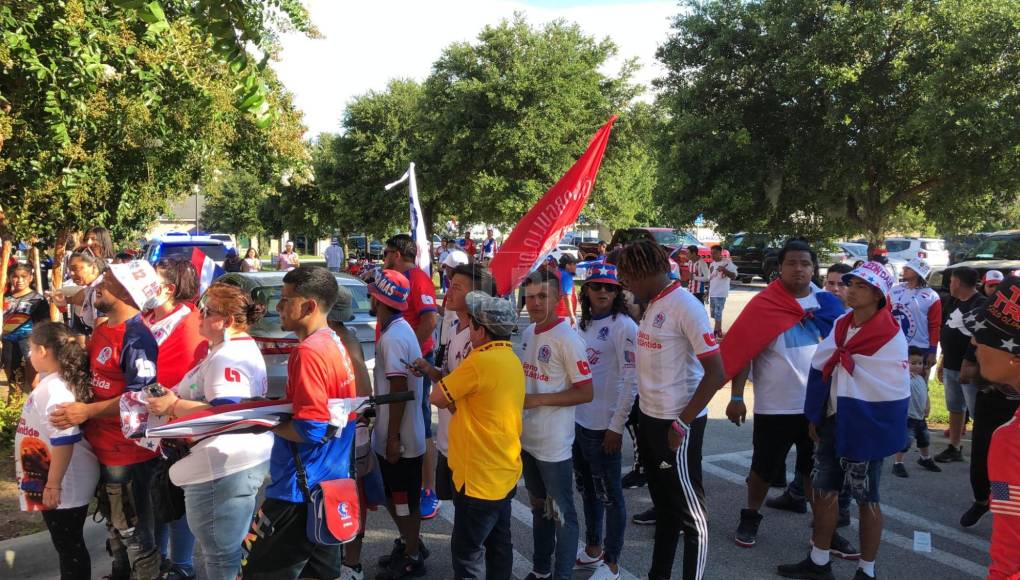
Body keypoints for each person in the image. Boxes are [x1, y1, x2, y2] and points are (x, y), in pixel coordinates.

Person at [687, 241, 849, 553]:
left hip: (818, 405)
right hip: (776, 405)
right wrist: (736, 397)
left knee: (813, 469)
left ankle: (823, 529)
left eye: (805, 263)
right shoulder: (765, 303)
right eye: (792, 263)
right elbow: (743, 351)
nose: (798, 268)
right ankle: (750, 515)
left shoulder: (828, 305)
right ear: (780, 267)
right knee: (762, 468)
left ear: (814, 268)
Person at [778, 262, 909, 580]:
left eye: (860, 285)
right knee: (824, 491)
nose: (850, 289)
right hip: (834, 421)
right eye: (850, 283)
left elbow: (891, 393)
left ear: (878, 294)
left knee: (867, 498)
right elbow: (822, 367)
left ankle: (867, 570)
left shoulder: (890, 337)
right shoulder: (841, 324)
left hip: (866, 427)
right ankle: (819, 561)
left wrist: (876, 432)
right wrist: (817, 413)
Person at [145, 284, 272, 580]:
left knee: (220, 555)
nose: (199, 316)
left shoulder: (227, 355)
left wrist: (173, 404)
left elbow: (225, 412)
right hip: (230, 462)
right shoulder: (230, 347)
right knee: (226, 552)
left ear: (226, 321)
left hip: (222, 465)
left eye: (207, 311)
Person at [616, 240, 724, 580]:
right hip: (650, 419)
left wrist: (682, 422)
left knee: (691, 516)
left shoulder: (686, 305)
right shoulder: (652, 304)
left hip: (677, 424)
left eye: (627, 278)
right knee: (665, 508)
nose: (625, 285)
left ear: (644, 272)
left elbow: (716, 373)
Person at [49, 261, 164, 580]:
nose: (100, 283)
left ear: (128, 292)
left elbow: (141, 397)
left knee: (134, 529)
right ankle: (119, 572)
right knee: (114, 521)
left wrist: (87, 412)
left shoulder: (137, 338)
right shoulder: (101, 328)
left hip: (128, 454)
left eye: (110, 280)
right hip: (99, 447)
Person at [241, 266, 356, 579]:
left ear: (309, 307)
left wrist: (263, 421)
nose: (278, 307)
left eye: (285, 299)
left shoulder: (308, 352)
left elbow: (312, 429)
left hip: (297, 492)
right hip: (328, 486)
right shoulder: (334, 342)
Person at [417, 291, 523, 580]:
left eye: (471, 324)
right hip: (504, 470)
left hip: (477, 475)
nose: (467, 329)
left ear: (480, 330)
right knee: (500, 543)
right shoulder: (511, 358)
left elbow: (437, 397)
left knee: (467, 552)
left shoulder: (479, 362)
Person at [519, 269, 593, 580]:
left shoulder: (567, 338)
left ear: (558, 299)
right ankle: (540, 570)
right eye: (530, 297)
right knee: (539, 507)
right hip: (528, 441)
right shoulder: (527, 333)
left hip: (554, 445)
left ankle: (561, 574)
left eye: (542, 296)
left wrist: (536, 401)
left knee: (563, 514)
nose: (535, 303)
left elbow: (586, 391)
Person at [15, 322, 100, 580]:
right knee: (68, 546)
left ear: (43, 350)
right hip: (58, 477)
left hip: (64, 481)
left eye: (30, 349)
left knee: (69, 547)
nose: (29, 355)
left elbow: (64, 439)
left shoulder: (54, 388)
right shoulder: (55, 381)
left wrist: (53, 485)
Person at [143, 256, 209, 580]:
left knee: (175, 499)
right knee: (156, 498)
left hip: (176, 430)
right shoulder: (145, 318)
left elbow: (185, 381)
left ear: (169, 288)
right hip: (144, 429)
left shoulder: (189, 325)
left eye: (151, 279)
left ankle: (182, 565)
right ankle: (158, 562)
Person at [573, 262, 637, 580]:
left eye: (609, 287)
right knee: (588, 491)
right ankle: (594, 549)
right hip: (578, 422)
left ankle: (611, 563)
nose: (602, 292)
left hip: (603, 429)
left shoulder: (624, 326)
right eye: (596, 286)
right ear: (585, 290)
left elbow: (631, 380)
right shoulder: (582, 324)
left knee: (611, 497)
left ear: (617, 292)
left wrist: (615, 426)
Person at [366, 269, 428, 579]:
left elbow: (399, 390)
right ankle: (410, 542)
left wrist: (392, 439)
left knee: (401, 499)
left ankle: (413, 552)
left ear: (379, 299)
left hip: (400, 438)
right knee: (397, 496)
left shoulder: (392, 338)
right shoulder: (401, 330)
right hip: (403, 433)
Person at [961, 276, 1020, 578]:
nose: (974, 343)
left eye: (984, 337)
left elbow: (1009, 533)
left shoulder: (1010, 439)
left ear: (1015, 358)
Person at [383, 234, 440, 519]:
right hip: (406, 362)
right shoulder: (400, 279)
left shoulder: (416, 279)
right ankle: (415, 484)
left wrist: (412, 356)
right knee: (409, 421)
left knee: (421, 424)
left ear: (396, 254)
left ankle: (429, 490)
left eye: (385, 254)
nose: (384, 259)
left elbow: (430, 319)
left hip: (417, 363)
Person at [326, 287, 375, 580]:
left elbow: (362, 391)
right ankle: (348, 560)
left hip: (346, 430)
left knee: (348, 496)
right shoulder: (349, 337)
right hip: (354, 426)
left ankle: (351, 562)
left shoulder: (340, 342)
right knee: (348, 495)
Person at [935, 266, 986, 464]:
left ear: (958, 282)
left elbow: (980, 337)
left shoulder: (980, 304)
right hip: (951, 364)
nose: (949, 284)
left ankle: (982, 453)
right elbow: (948, 329)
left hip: (971, 367)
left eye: (951, 281)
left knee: (977, 412)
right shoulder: (953, 301)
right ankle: (954, 447)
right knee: (955, 407)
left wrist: (969, 362)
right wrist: (943, 360)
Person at [892, 347, 941, 477]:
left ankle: (925, 458)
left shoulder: (920, 379)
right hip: (908, 417)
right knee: (905, 441)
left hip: (920, 417)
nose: (917, 366)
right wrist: (904, 374)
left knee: (924, 439)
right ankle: (898, 463)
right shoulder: (904, 379)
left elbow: (926, 393)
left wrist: (927, 405)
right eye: (912, 363)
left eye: (920, 363)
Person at [889, 257, 941, 371]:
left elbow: (935, 325)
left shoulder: (932, 296)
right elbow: (885, 316)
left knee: (917, 385)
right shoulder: (893, 290)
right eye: (905, 267)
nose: (904, 269)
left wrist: (933, 351)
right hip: (894, 344)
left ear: (919, 273)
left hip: (920, 348)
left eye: (909, 268)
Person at [4, 263, 49, 394]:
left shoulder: (37, 300)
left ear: (31, 278)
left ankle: (39, 408)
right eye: (15, 277)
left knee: (34, 382)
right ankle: (13, 410)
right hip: (8, 342)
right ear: (10, 278)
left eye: (24, 276)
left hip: (29, 343)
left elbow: (44, 324)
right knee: (14, 381)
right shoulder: (5, 297)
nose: (20, 280)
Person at [50, 252, 106, 337]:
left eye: (76, 269)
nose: (71, 274)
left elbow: (101, 330)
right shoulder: (90, 288)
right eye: (70, 270)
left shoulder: (100, 291)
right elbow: (77, 298)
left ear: (93, 267)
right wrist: (65, 300)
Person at [707, 245, 738, 338]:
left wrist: (724, 270)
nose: (712, 255)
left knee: (718, 313)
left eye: (715, 253)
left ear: (720, 253)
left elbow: (734, 276)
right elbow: (710, 279)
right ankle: (718, 330)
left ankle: (716, 331)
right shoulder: (712, 264)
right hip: (712, 292)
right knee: (713, 314)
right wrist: (707, 292)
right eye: (711, 253)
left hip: (721, 293)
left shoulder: (727, 262)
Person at [556, 254, 580, 327]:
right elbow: (567, 297)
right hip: (564, 316)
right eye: (574, 264)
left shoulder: (556, 272)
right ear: (567, 265)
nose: (576, 267)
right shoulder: (566, 276)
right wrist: (572, 316)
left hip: (555, 314)